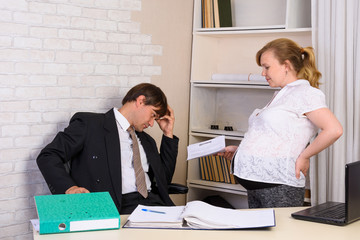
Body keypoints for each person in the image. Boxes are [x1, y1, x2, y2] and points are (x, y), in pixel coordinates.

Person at [218, 38, 343, 208]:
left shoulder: (306, 93)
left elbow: (334, 129)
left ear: (286, 65)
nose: (263, 73)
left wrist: (305, 156)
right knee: (257, 235)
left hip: (279, 187)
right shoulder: (281, 95)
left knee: (280, 234)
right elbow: (274, 137)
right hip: (257, 186)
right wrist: (240, 152)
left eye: (266, 67)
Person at [36, 83, 179, 214]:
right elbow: (48, 156)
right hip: (118, 206)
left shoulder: (147, 141)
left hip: (154, 205)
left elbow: (163, 182)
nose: (152, 123)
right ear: (140, 101)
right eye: (153, 115)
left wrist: (168, 134)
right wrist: (69, 188)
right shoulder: (90, 125)